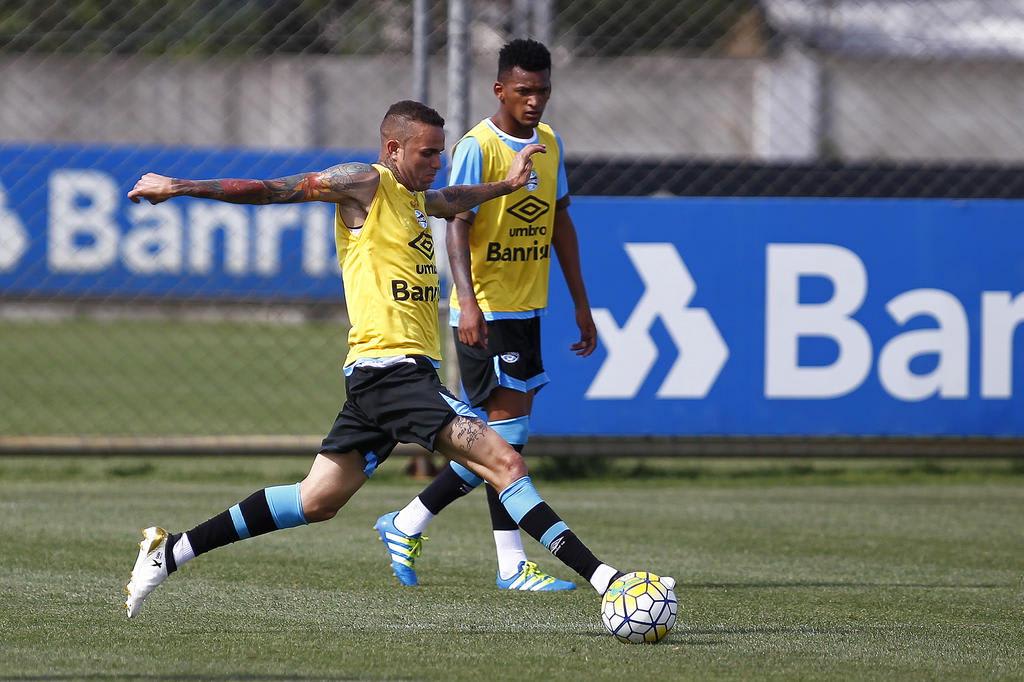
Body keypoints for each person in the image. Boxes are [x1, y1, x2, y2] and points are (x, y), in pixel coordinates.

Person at [122, 99, 669, 618]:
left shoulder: (412, 199)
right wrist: (180, 186)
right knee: (505, 461)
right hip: (392, 372)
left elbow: (450, 201)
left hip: (383, 378)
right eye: (427, 152)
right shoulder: (364, 183)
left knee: (315, 501)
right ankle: (608, 580)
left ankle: (169, 554)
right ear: (392, 148)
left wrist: (505, 184)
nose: (438, 162)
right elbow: (272, 190)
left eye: (440, 151)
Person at [376, 39, 596, 592]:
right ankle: (509, 564)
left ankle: (408, 521)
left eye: (543, 90)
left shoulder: (549, 144)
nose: (535, 100)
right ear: (500, 89)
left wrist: (581, 302)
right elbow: (458, 224)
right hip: (489, 310)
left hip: (528, 308)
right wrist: (468, 302)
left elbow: (559, 223)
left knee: (506, 437)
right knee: (505, 438)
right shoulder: (478, 145)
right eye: (524, 90)